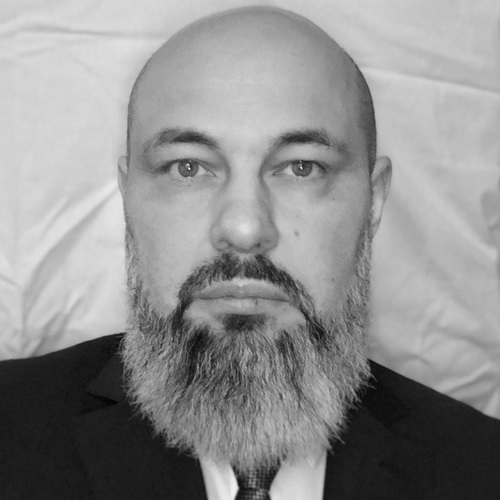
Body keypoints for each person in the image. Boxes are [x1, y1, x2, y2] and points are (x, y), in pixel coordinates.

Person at [0, 6, 499, 499]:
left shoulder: (483, 468)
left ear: (374, 202)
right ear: (128, 195)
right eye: (188, 168)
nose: (244, 229)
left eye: (302, 167)